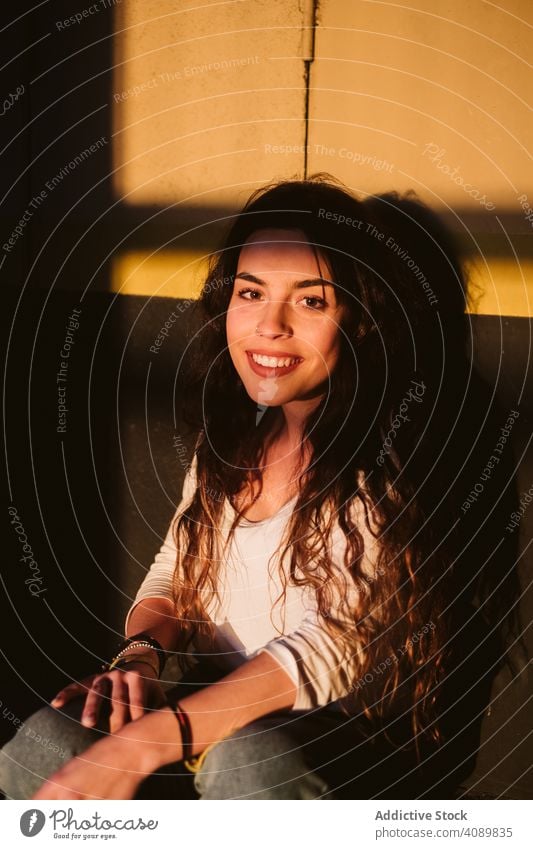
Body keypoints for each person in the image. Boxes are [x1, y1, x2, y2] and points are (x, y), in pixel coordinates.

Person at [0, 175, 521, 800]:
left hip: (348, 738)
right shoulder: (231, 440)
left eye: (310, 301)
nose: (269, 326)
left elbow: (337, 648)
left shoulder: (398, 453)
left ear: (360, 319)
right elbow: (175, 573)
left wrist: (146, 742)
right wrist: (139, 658)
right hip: (209, 714)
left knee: (247, 760)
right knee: (49, 740)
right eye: (251, 293)